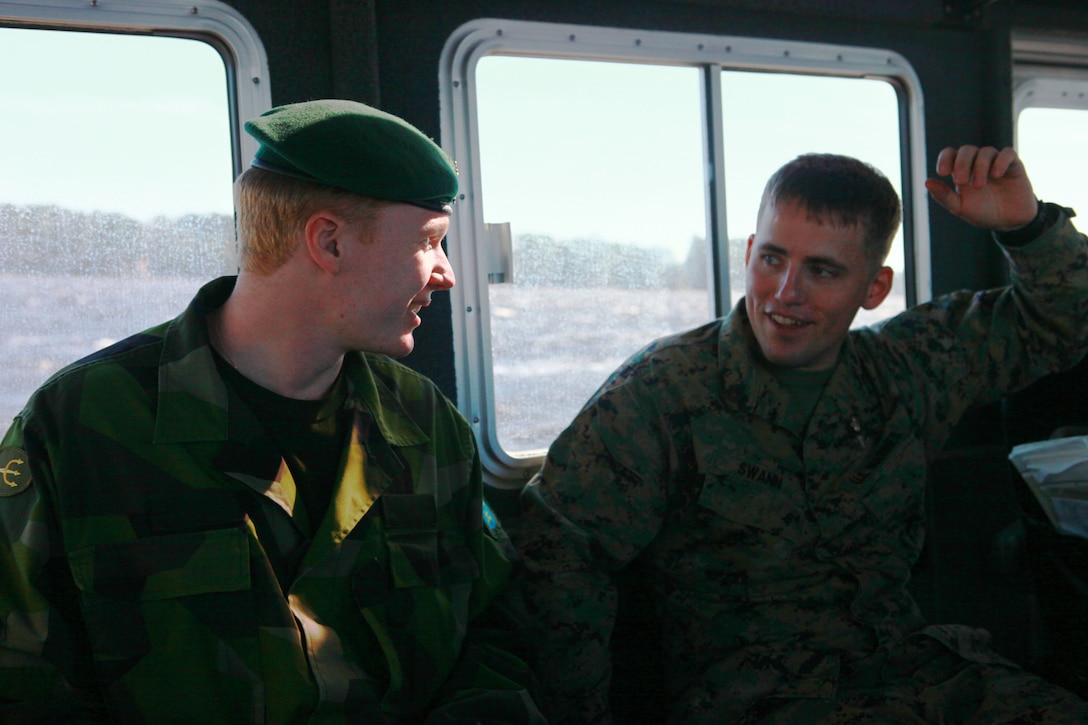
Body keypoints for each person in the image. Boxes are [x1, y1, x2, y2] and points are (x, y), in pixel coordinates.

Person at [0, 99, 545, 723]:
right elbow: (22, 681)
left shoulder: (424, 422)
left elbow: (492, 633)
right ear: (329, 242)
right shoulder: (81, 426)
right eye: (429, 242)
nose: (445, 274)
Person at [514, 144, 1088, 723]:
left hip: (918, 674)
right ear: (748, 255)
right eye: (772, 259)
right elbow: (559, 554)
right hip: (759, 700)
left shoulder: (909, 367)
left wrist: (1029, 228)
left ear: (875, 288)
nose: (786, 292)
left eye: (822, 270)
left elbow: (1061, 321)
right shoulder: (663, 392)